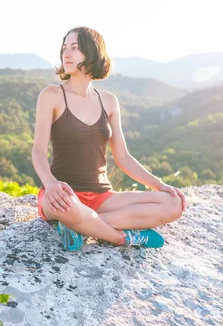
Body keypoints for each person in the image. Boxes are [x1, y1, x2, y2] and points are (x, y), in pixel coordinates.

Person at [31, 26, 186, 251]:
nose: (66, 53)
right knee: (70, 208)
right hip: (63, 196)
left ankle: (81, 227)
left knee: (173, 204)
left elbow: (122, 157)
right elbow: (38, 152)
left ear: (93, 53)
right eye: (65, 47)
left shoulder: (109, 102)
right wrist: (51, 185)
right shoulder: (52, 96)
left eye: (75, 48)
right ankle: (123, 237)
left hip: (103, 197)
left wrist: (160, 185)